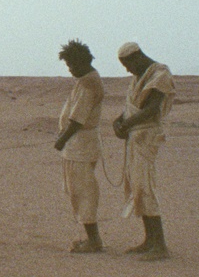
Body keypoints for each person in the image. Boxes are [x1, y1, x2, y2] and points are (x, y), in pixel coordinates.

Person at [113, 42, 175, 261]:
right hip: (134, 136)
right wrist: (119, 122)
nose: (127, 70)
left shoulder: (160, 74)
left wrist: (127, 124)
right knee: (138, 188)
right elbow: (130, 108)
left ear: (137, 56)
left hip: (147, 136)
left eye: (127, 65)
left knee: (145, 187)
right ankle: (149, 240)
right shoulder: (138, 78)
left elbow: (151, 110)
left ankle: (160, 246)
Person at [54, 39, 104, 253]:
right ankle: (90, 238)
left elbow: (77, 120)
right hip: (79, 145)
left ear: (82, 62)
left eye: (71, 65)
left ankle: (94, 241)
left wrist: (62, 139)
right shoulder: (86, 80)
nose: (70, 70)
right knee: (77, 190)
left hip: (80, 144)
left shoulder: (88, 84)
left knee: (83, 191)